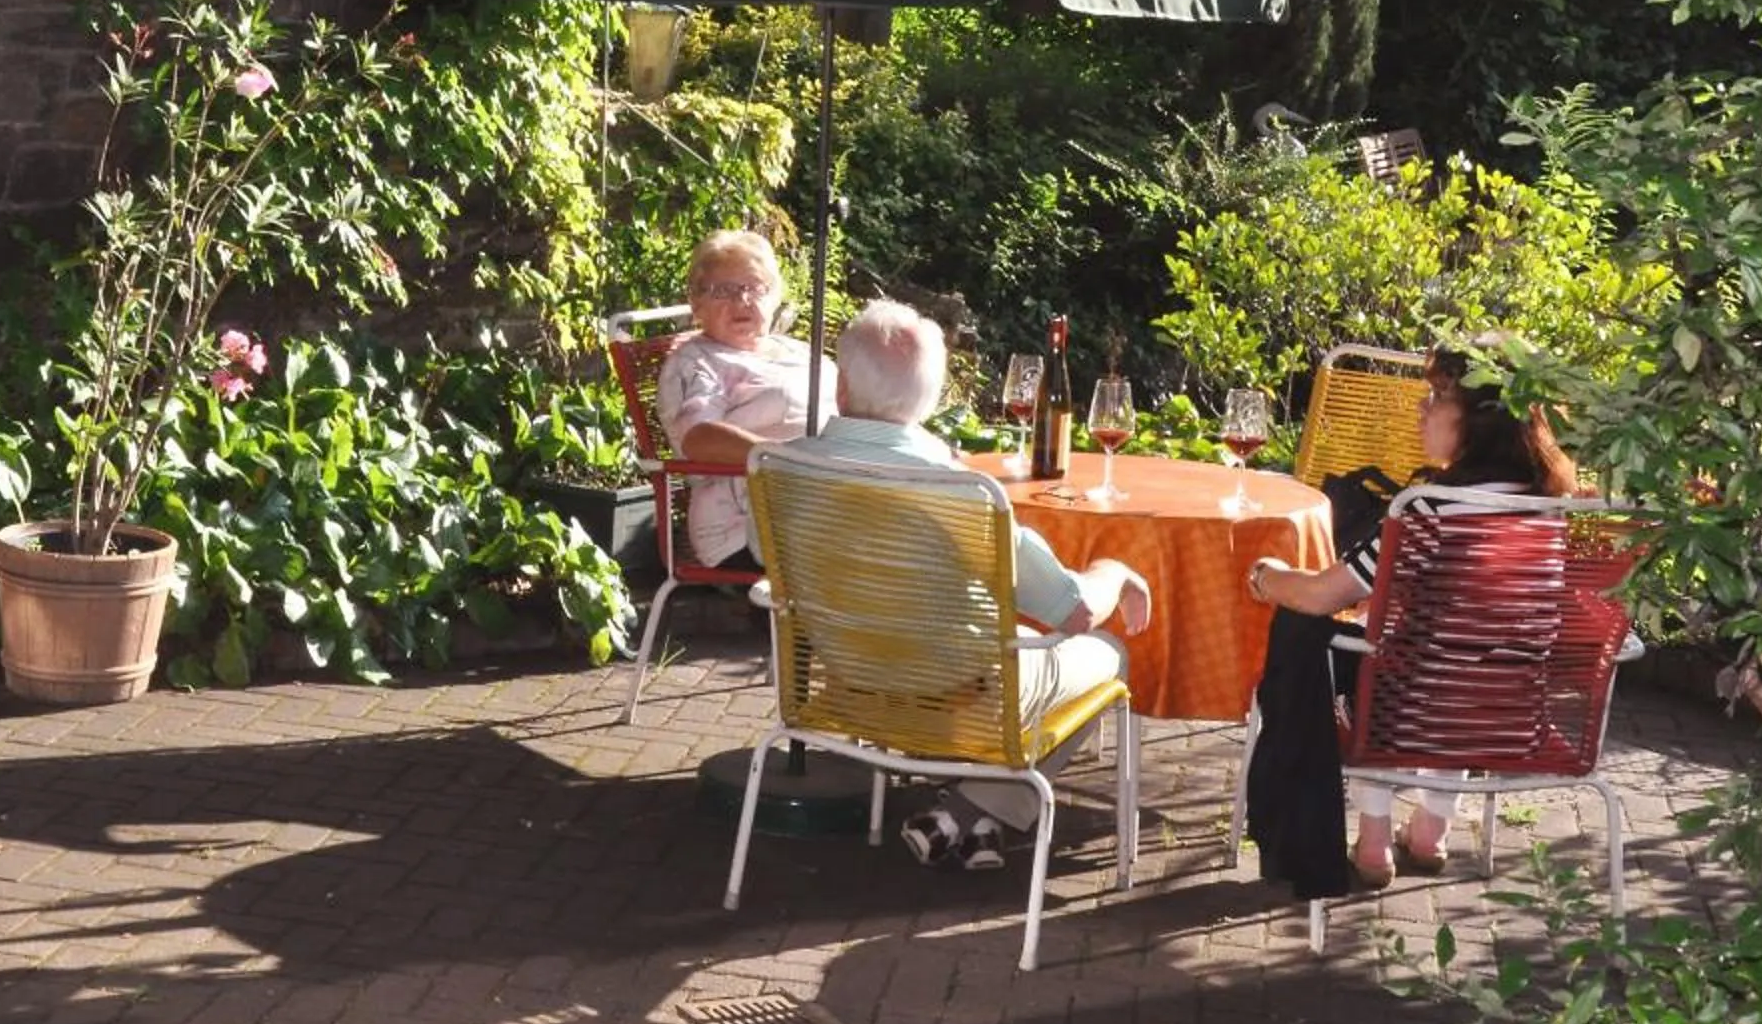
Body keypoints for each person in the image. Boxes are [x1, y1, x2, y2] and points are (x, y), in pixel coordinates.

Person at [786, 298, 1154, 871]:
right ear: (930, 402)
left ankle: (964, 814)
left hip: (850, 685)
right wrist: (1118, 571)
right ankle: (976, 805)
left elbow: (769, 559)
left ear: (840, 389)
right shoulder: (964, 497)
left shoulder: (784, 470)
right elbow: (1073, 613)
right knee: (1109, 651)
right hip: (962, 702)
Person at [1244, 347, 1580, 891]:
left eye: (1440, 396)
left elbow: (1319, 595)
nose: (1422, 408)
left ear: (1484, 416)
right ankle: (1430, 833)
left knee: (1368, 656)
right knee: (1465, 652)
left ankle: (1373, 841)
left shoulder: (1427, 511)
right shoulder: (1552, 511)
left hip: (1408, 713)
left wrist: (1266, 575)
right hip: (1509, 717)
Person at [654, 229, 836, 571]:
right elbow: (699, 439)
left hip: (819, 504)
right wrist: (790, 459)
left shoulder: (796, 351)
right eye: (723, 291)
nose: (742, 302)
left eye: (754, 288)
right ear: (696, 303)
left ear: (774, 295)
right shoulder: (697, 363)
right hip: (746, 525)